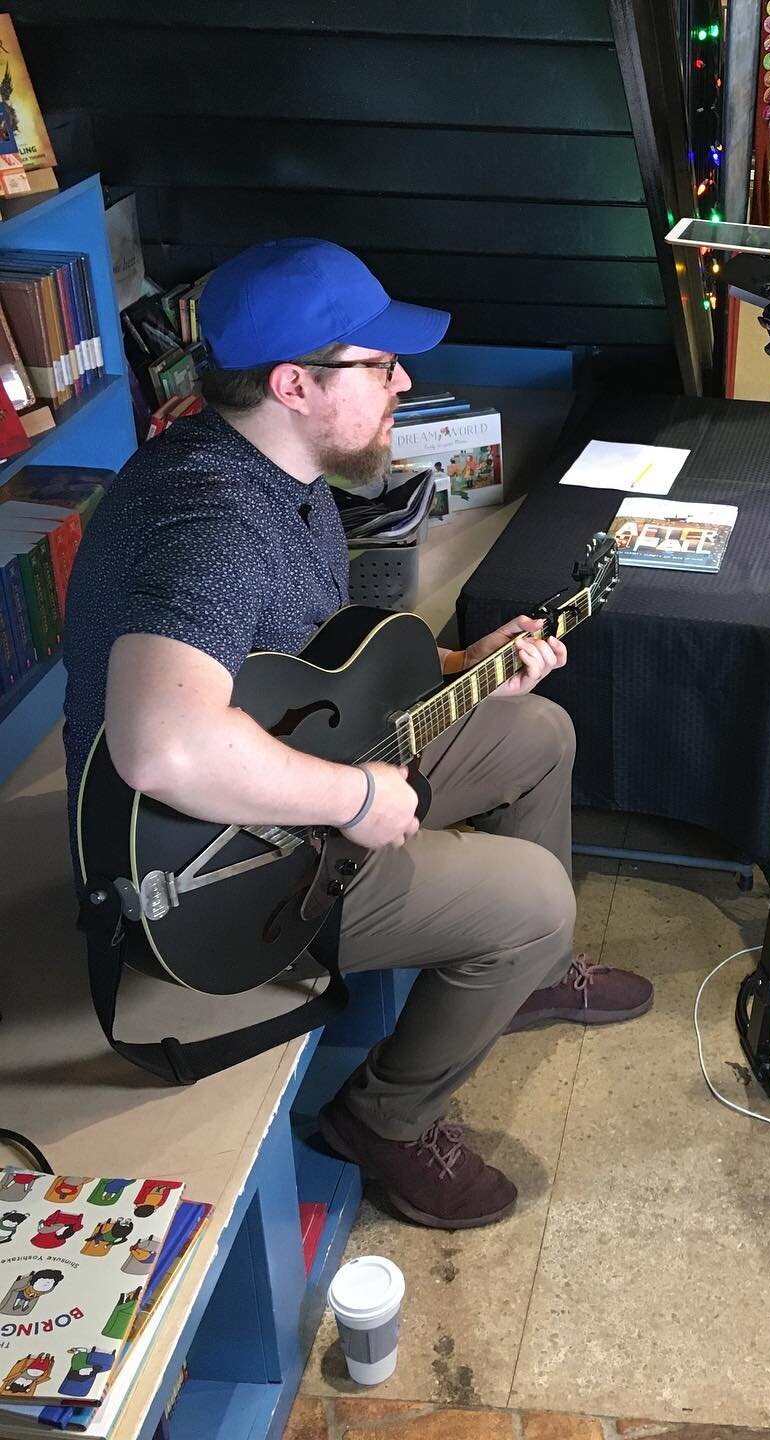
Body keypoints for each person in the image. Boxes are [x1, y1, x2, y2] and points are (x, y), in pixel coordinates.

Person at [62, 238, 652, 1230]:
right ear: (294, 384)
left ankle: (530, 979)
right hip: (219, 866)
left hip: (298, 765)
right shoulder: (209, 520)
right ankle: (382, 1118)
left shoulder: (279, 474)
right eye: (379, 365)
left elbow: (317, 674)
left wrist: (472, 669)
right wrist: (357, 799)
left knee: (537, 730)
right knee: (538, 899)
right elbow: (161, 746)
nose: (406, 380)